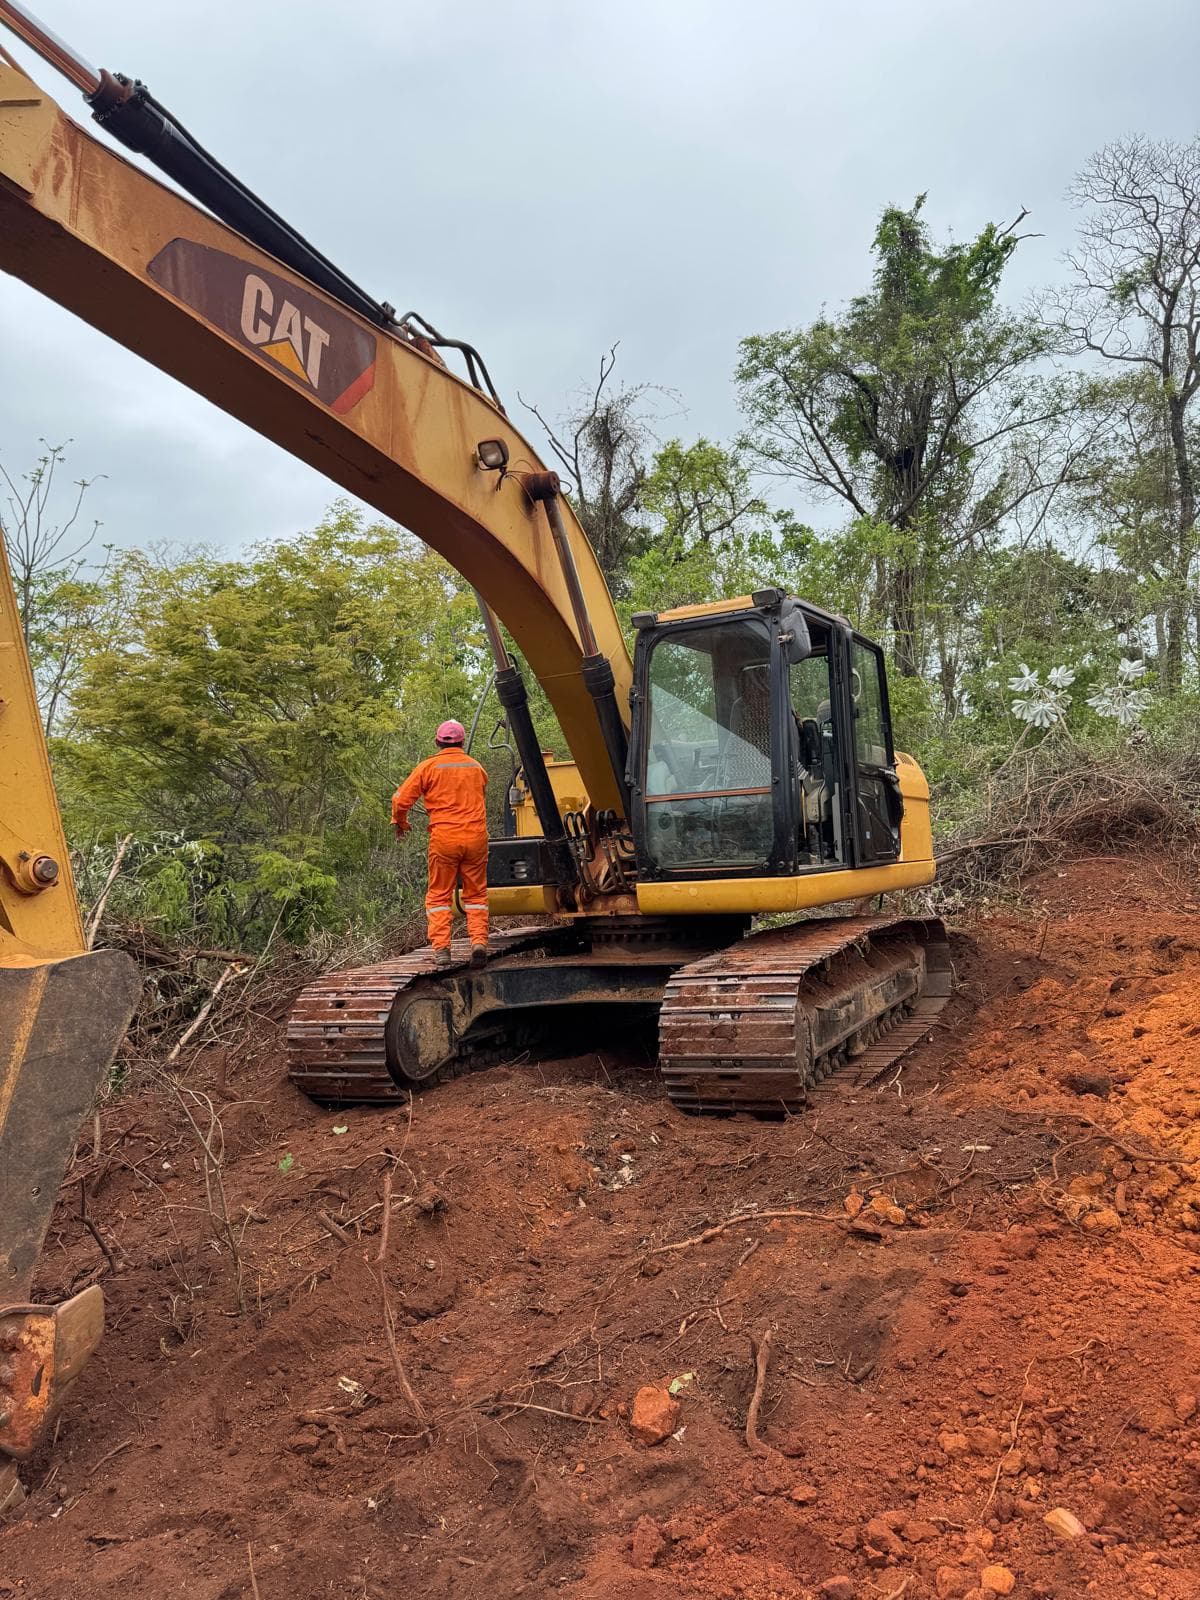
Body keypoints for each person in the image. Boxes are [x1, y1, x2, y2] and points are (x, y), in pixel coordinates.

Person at [392, 720, 490, 969]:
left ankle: (442, 949)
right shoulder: (476, 767)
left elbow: (401, 799)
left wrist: (400, 823)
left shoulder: (429, 767)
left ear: (437, 742)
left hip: (445, 839)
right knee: (476, 894)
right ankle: (478, 942)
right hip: (476, 838)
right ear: (462, 741)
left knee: (439, 895)